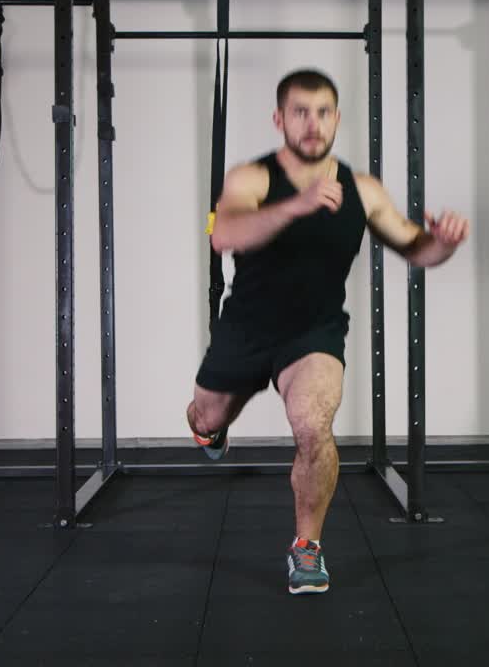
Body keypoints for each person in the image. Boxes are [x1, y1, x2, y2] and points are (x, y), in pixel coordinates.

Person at [186, 69, 469, 595]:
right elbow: (224, 233)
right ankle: (211, 430)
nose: (312, 124)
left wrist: (445, 242)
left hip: (313, 332)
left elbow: (417, 249)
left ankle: (306, 547)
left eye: (322, 112)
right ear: (279, 119)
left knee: (314, 425)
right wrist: (295, 206)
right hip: (246, 328)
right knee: (206, 415)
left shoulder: (362, 189)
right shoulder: (252, 178)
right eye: (300, 112)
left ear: (336, 119)